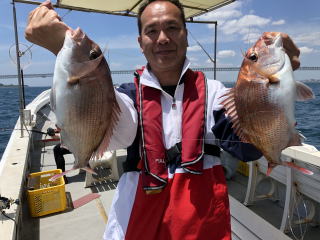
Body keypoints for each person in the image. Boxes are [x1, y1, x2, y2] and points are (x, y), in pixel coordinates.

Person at [25, 0, 301, 239]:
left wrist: (282, 82)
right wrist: (61, 49)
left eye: (172, 27)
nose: (163, 38)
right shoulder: (125, 95)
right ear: (140, 43)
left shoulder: (216, 92)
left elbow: (248, 148)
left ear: (186, 35)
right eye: (151, 31)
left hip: (203, 219)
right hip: (136, 216)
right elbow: (118, 134)